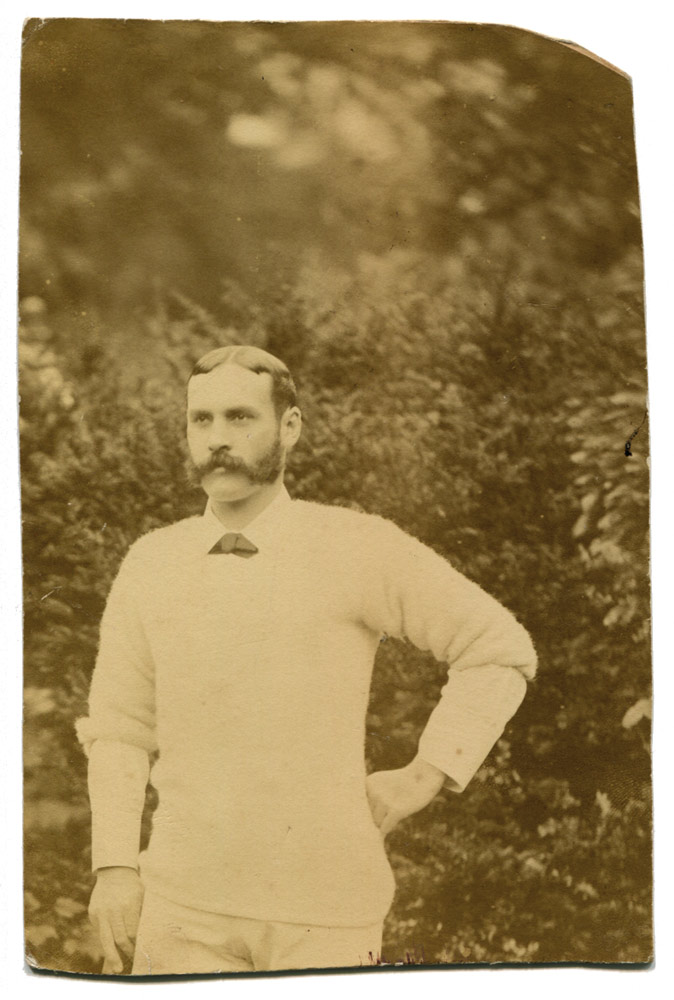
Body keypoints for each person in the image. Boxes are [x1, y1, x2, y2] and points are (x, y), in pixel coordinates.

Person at [76, 344, 537, 975]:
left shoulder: (356, 545)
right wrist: (115, 869)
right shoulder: (153, 562)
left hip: (326, 913)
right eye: (200, 420)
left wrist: (426, 773)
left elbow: (500, 649)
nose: (216, 439)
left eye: (240, 418)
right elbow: (121, 730)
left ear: (290, 427)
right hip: (183, 907)